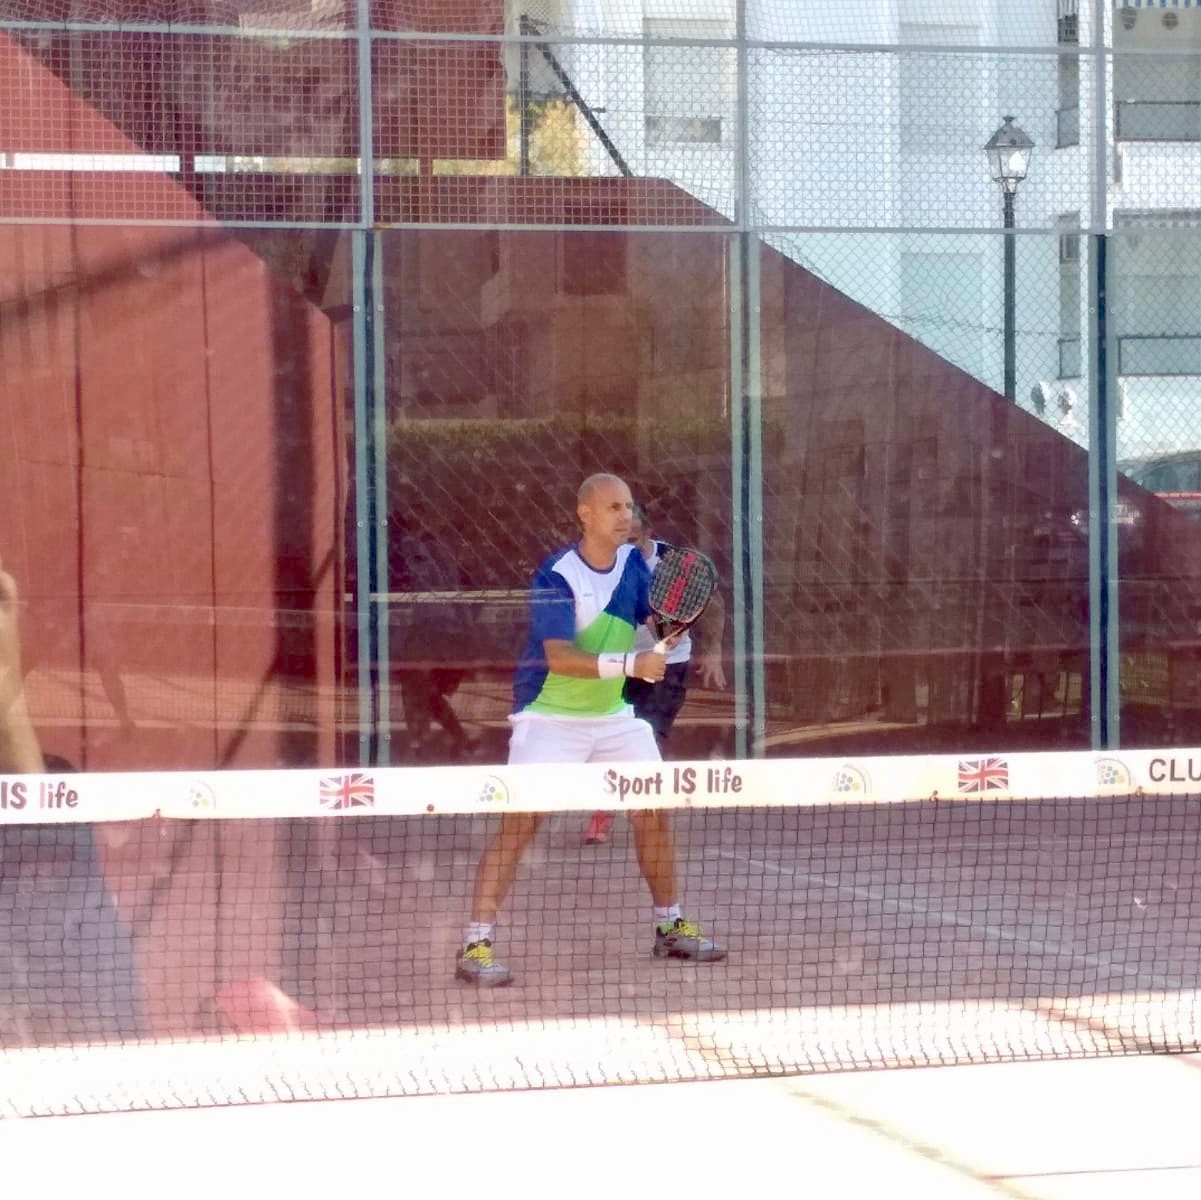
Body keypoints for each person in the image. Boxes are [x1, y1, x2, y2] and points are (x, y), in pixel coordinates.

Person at [454, 473, 726, 986]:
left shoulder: (633, 566)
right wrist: (632, 664)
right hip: (548, 716)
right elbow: (560, 657)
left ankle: (669, 925)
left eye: (630, 507)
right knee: (520, 824)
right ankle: (476, 944)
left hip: (613, 718)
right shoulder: (556, 575)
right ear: (585, 514)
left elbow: (652, 617)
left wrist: (665, 633)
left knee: (652, 812)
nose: (626, 516)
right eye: (614, 507)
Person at [582, 502, 727, 846]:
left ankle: (642, 810)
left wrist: (714, 652)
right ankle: (606, 808)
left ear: (649, 533)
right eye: (620, 537)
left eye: (633, 538)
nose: (626, 545)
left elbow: (714, 605)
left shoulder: (675, 564)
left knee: (648, 736)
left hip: (669, 664)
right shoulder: (599, 564)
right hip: (619, 663)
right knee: (610, 739)